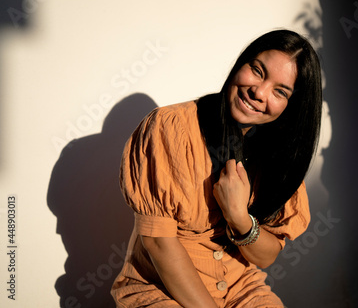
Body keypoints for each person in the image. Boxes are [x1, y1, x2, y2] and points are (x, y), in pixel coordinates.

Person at [110, 29, 323, 307]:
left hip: (241, 290)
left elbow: (265, 257)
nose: (259, 92)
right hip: (160, 289)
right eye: (257, 71)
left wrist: (239, 217)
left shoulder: (280, 157)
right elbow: (158, 243)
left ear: (290, 107)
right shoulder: (169, 127)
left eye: (280, 91)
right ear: (240, 65)